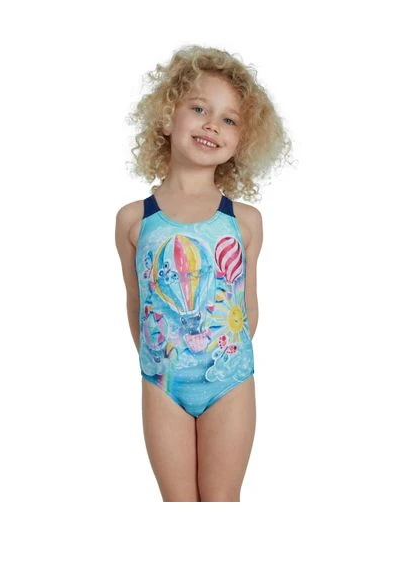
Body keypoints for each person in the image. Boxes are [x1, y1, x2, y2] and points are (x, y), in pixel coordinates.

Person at [115, 45, 292, 502]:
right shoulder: (134, 220)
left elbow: (247, 307)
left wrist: (222, 360)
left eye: (229, 119)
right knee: (178, 505)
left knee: (221, 499)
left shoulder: (245, 221)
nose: (212, 124)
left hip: (229, 382)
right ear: (166, 118)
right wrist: (163, 363)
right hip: (163, 385)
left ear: (242, 141)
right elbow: (136, 303)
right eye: (199, 109)